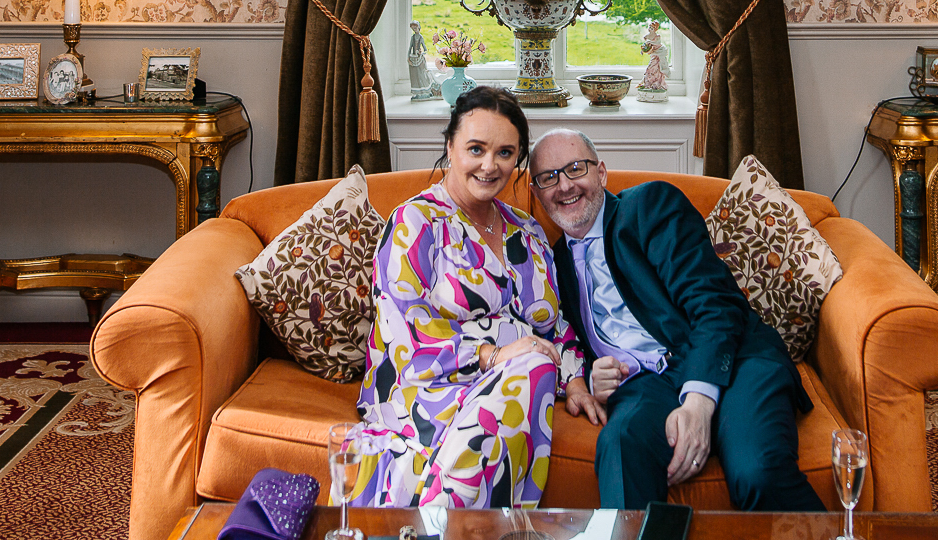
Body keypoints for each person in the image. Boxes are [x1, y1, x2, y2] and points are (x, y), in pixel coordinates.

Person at [529, 129, 823, 511]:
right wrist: (592, 375)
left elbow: (715, 304)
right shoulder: (550, 265)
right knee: (620, 444)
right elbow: (563, 339)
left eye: (575, 168)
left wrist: (699, 401)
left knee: (757, 471)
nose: (565, 185)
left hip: (735, 360)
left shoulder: (649, 206)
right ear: (537, 191)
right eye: (549, 177)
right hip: (647, 386)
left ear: (601, 173)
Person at [353, 87, 604, 507]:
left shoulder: (528, 231)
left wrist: (576, 381)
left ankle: (444, 523)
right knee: (531, 365)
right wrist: (493, 355)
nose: (490, 166)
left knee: (536, 365)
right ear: (450, 146)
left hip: (521, 381)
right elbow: (403, 338)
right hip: (430, 384)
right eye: (476, 149)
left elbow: (555, 324)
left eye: (505, 153)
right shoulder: (415, 222)